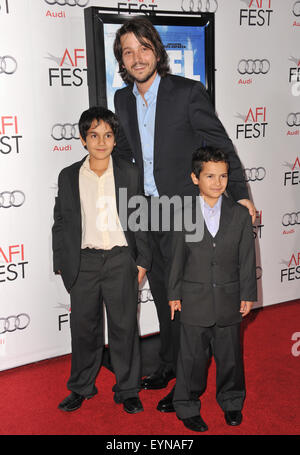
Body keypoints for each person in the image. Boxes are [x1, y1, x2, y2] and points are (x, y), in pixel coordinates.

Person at [113, 16, 256, 412]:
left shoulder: (188, 93)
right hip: (148, 210)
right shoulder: (122, 100)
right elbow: (126, 157)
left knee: (190, 300)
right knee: (164, 294)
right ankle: (168, 366)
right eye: (127, 51)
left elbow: (220, 144)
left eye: (143, 48)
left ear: (157, 52)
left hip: (184, 210)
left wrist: (241, 194)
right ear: (121, 62)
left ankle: (187, 381)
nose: (136, 57)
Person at [52, 106, 151, 414]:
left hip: (121, 260)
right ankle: (81, 386)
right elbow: (61, 221)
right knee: (83, 330)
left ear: (114, 139)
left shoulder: (129, 172)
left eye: (107, 135)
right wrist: (61, 261)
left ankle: (128, 389)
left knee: (124, 327)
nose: (101, 141)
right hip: (84, 262)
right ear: (83, 139)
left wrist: (142, 260)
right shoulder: (69, 176)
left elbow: (140, 218)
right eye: (93, 135)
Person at [168, 147, 257, 432]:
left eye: (223, 176)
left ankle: (232, 401)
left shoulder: (240, 214)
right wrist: (173, 293)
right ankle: (187, 404)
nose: (218, 182)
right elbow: (176, 258)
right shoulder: (182, 213)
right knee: (191, 358)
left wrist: (247, 294)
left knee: (230, 355)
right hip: (193, 298)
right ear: (195, 178)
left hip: (229, 298)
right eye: (210, 176)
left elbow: (247, 258)